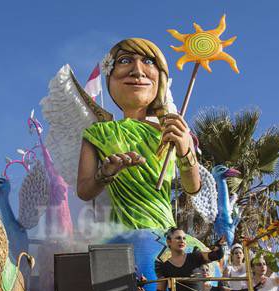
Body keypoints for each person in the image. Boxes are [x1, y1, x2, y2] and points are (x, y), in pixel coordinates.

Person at [77, 38, 200, 230]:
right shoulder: (97, 133)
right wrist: (105, 174)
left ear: (160, 77)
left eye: (148, 61)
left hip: (165, 233)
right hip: (123, 236)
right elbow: (84, 191)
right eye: (125, 61)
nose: (137, 71)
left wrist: (185, 150)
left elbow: (192, 188)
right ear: (110, 74)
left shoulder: (172, 129)